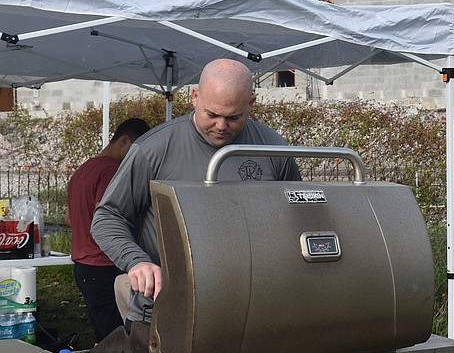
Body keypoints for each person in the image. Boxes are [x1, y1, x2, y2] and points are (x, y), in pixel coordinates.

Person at [91, 58, 301, 325]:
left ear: (251, 104)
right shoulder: (153, 148)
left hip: (250, 306)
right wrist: (136, 261)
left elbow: (296, 215)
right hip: (165, 306)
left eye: (233, 117)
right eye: (211, 114)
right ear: (194, 96)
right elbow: (108, 217)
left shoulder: (273, 149)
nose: (221, 126)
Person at [66, 117, 151, 342]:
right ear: (124, 141)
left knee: (102, 330)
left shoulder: (84, 169)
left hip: (83, 264)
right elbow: (107, 216)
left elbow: (69, 217)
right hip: (104, 264)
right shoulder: (112, 172)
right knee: (117, 336)